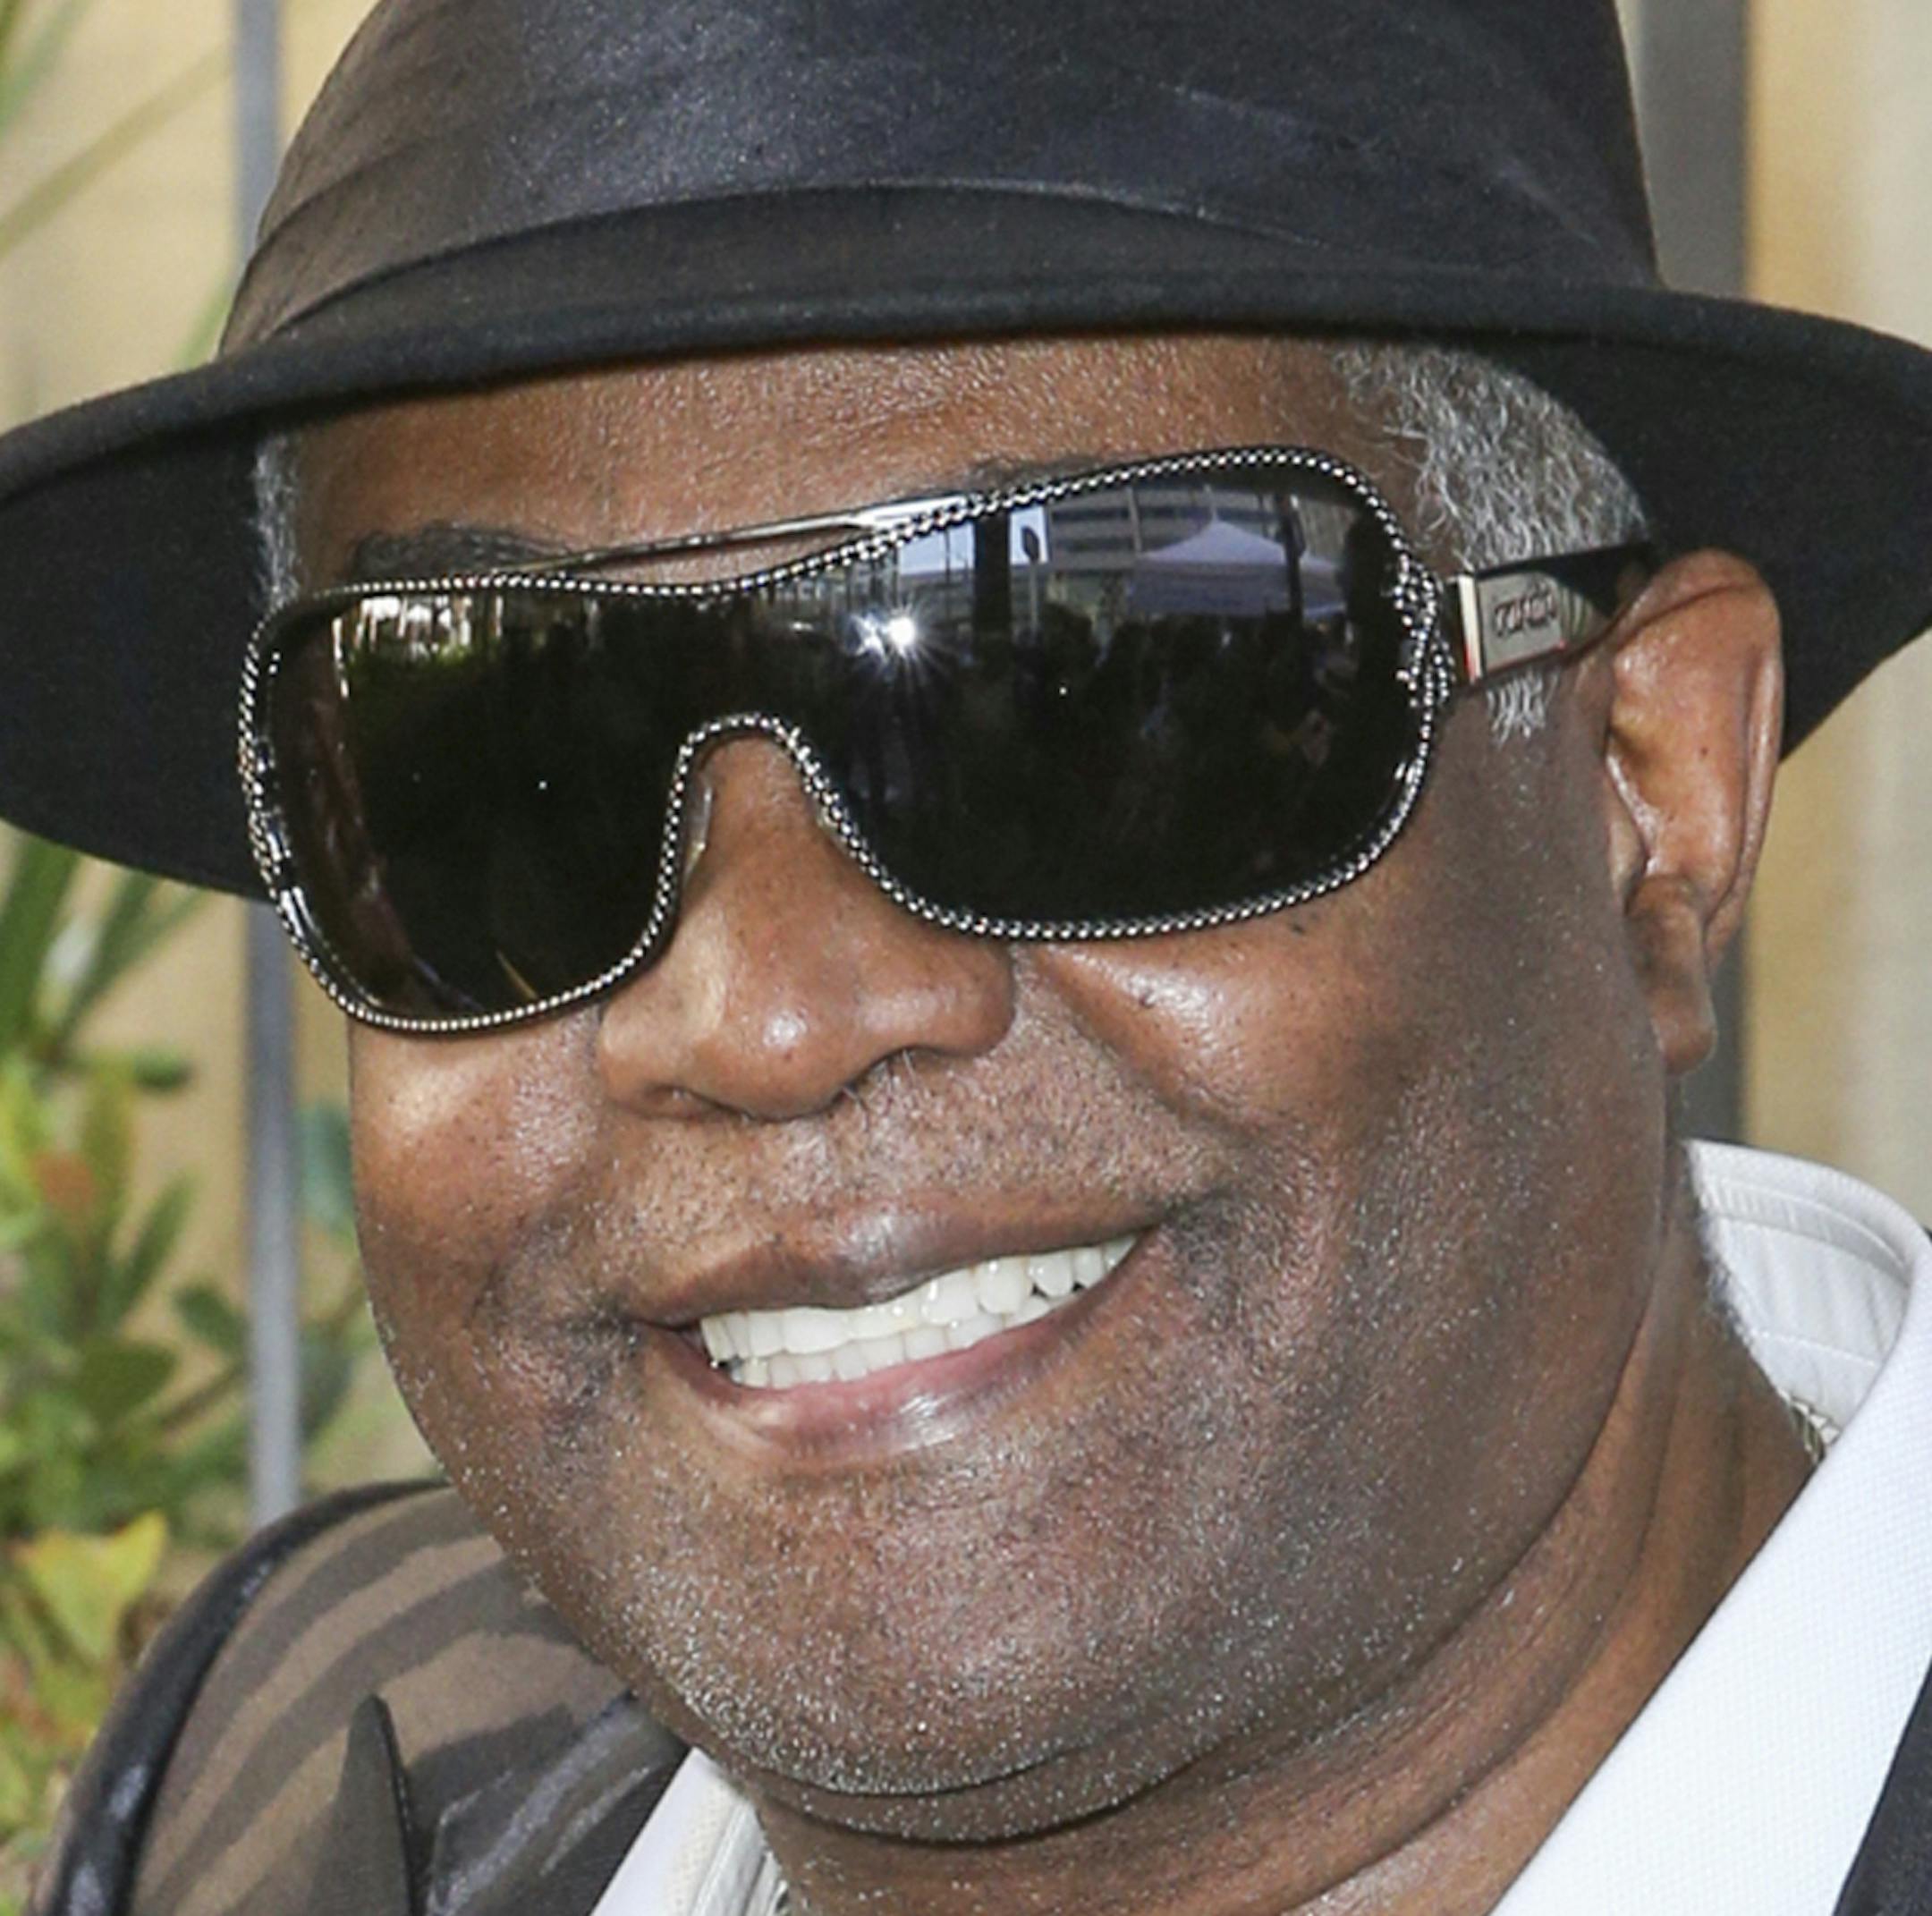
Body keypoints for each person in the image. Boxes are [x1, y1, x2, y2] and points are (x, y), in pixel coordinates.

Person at [4, 3, 1931, 1912]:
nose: (765, 1012)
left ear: (1650, 785)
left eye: (1079, 700)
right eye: (501, 761)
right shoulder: (308, 1757)